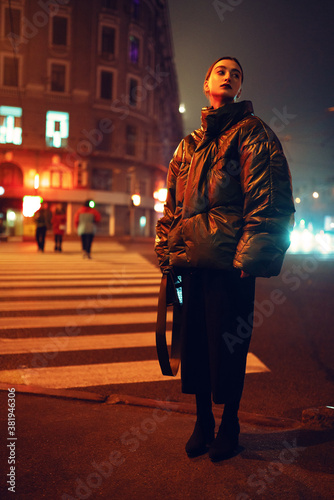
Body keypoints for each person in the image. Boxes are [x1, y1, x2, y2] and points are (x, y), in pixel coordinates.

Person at [155, 57, 295, 462]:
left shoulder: (253, 133)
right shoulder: (189, 144)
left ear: (239, 86)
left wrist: (250, 256)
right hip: (188, 263)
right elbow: (172, 208)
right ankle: (203, 421)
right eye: (221, 70)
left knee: (229, 347)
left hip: (229, 263)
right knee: (195, 343)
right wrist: (168, 254)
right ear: (206, 84)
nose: (229, 76)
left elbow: (267, 198)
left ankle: (230, 424)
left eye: (236, 73)